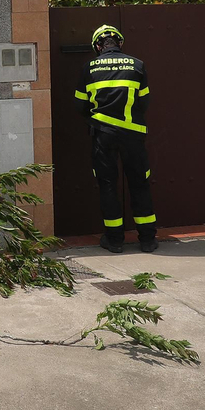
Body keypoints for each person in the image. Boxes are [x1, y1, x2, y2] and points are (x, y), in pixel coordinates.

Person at [75, 24, 157, 253]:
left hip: (104, 135)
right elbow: (144, 102)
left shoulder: (88, 68)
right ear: (119, 43)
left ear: (98, 46)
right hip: (133, 135)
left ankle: (115, 240)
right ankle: (148, 240)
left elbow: (80, 105)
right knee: (140, 184)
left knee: (108, 185)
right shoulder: (138, 65)